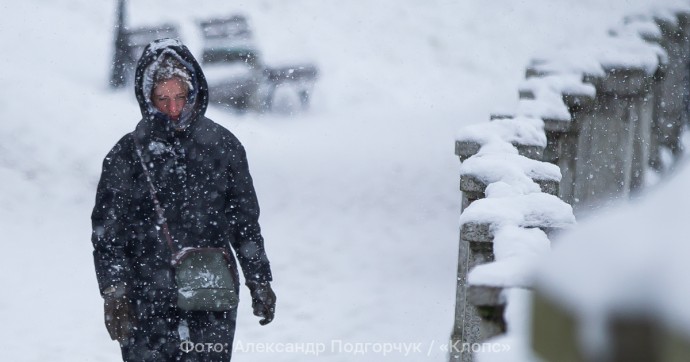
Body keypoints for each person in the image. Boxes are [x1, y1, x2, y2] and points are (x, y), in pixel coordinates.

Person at [91, 38, 276, 362]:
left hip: (210, 294)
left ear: (194, 93)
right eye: (162, 98)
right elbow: (108, 232)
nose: (173, 108)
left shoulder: (223, 146)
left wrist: (259, 279)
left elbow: (244, 222)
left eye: (180, 96)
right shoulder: (127, 155)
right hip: (145, 297)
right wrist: (114, 291)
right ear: (147, 97)